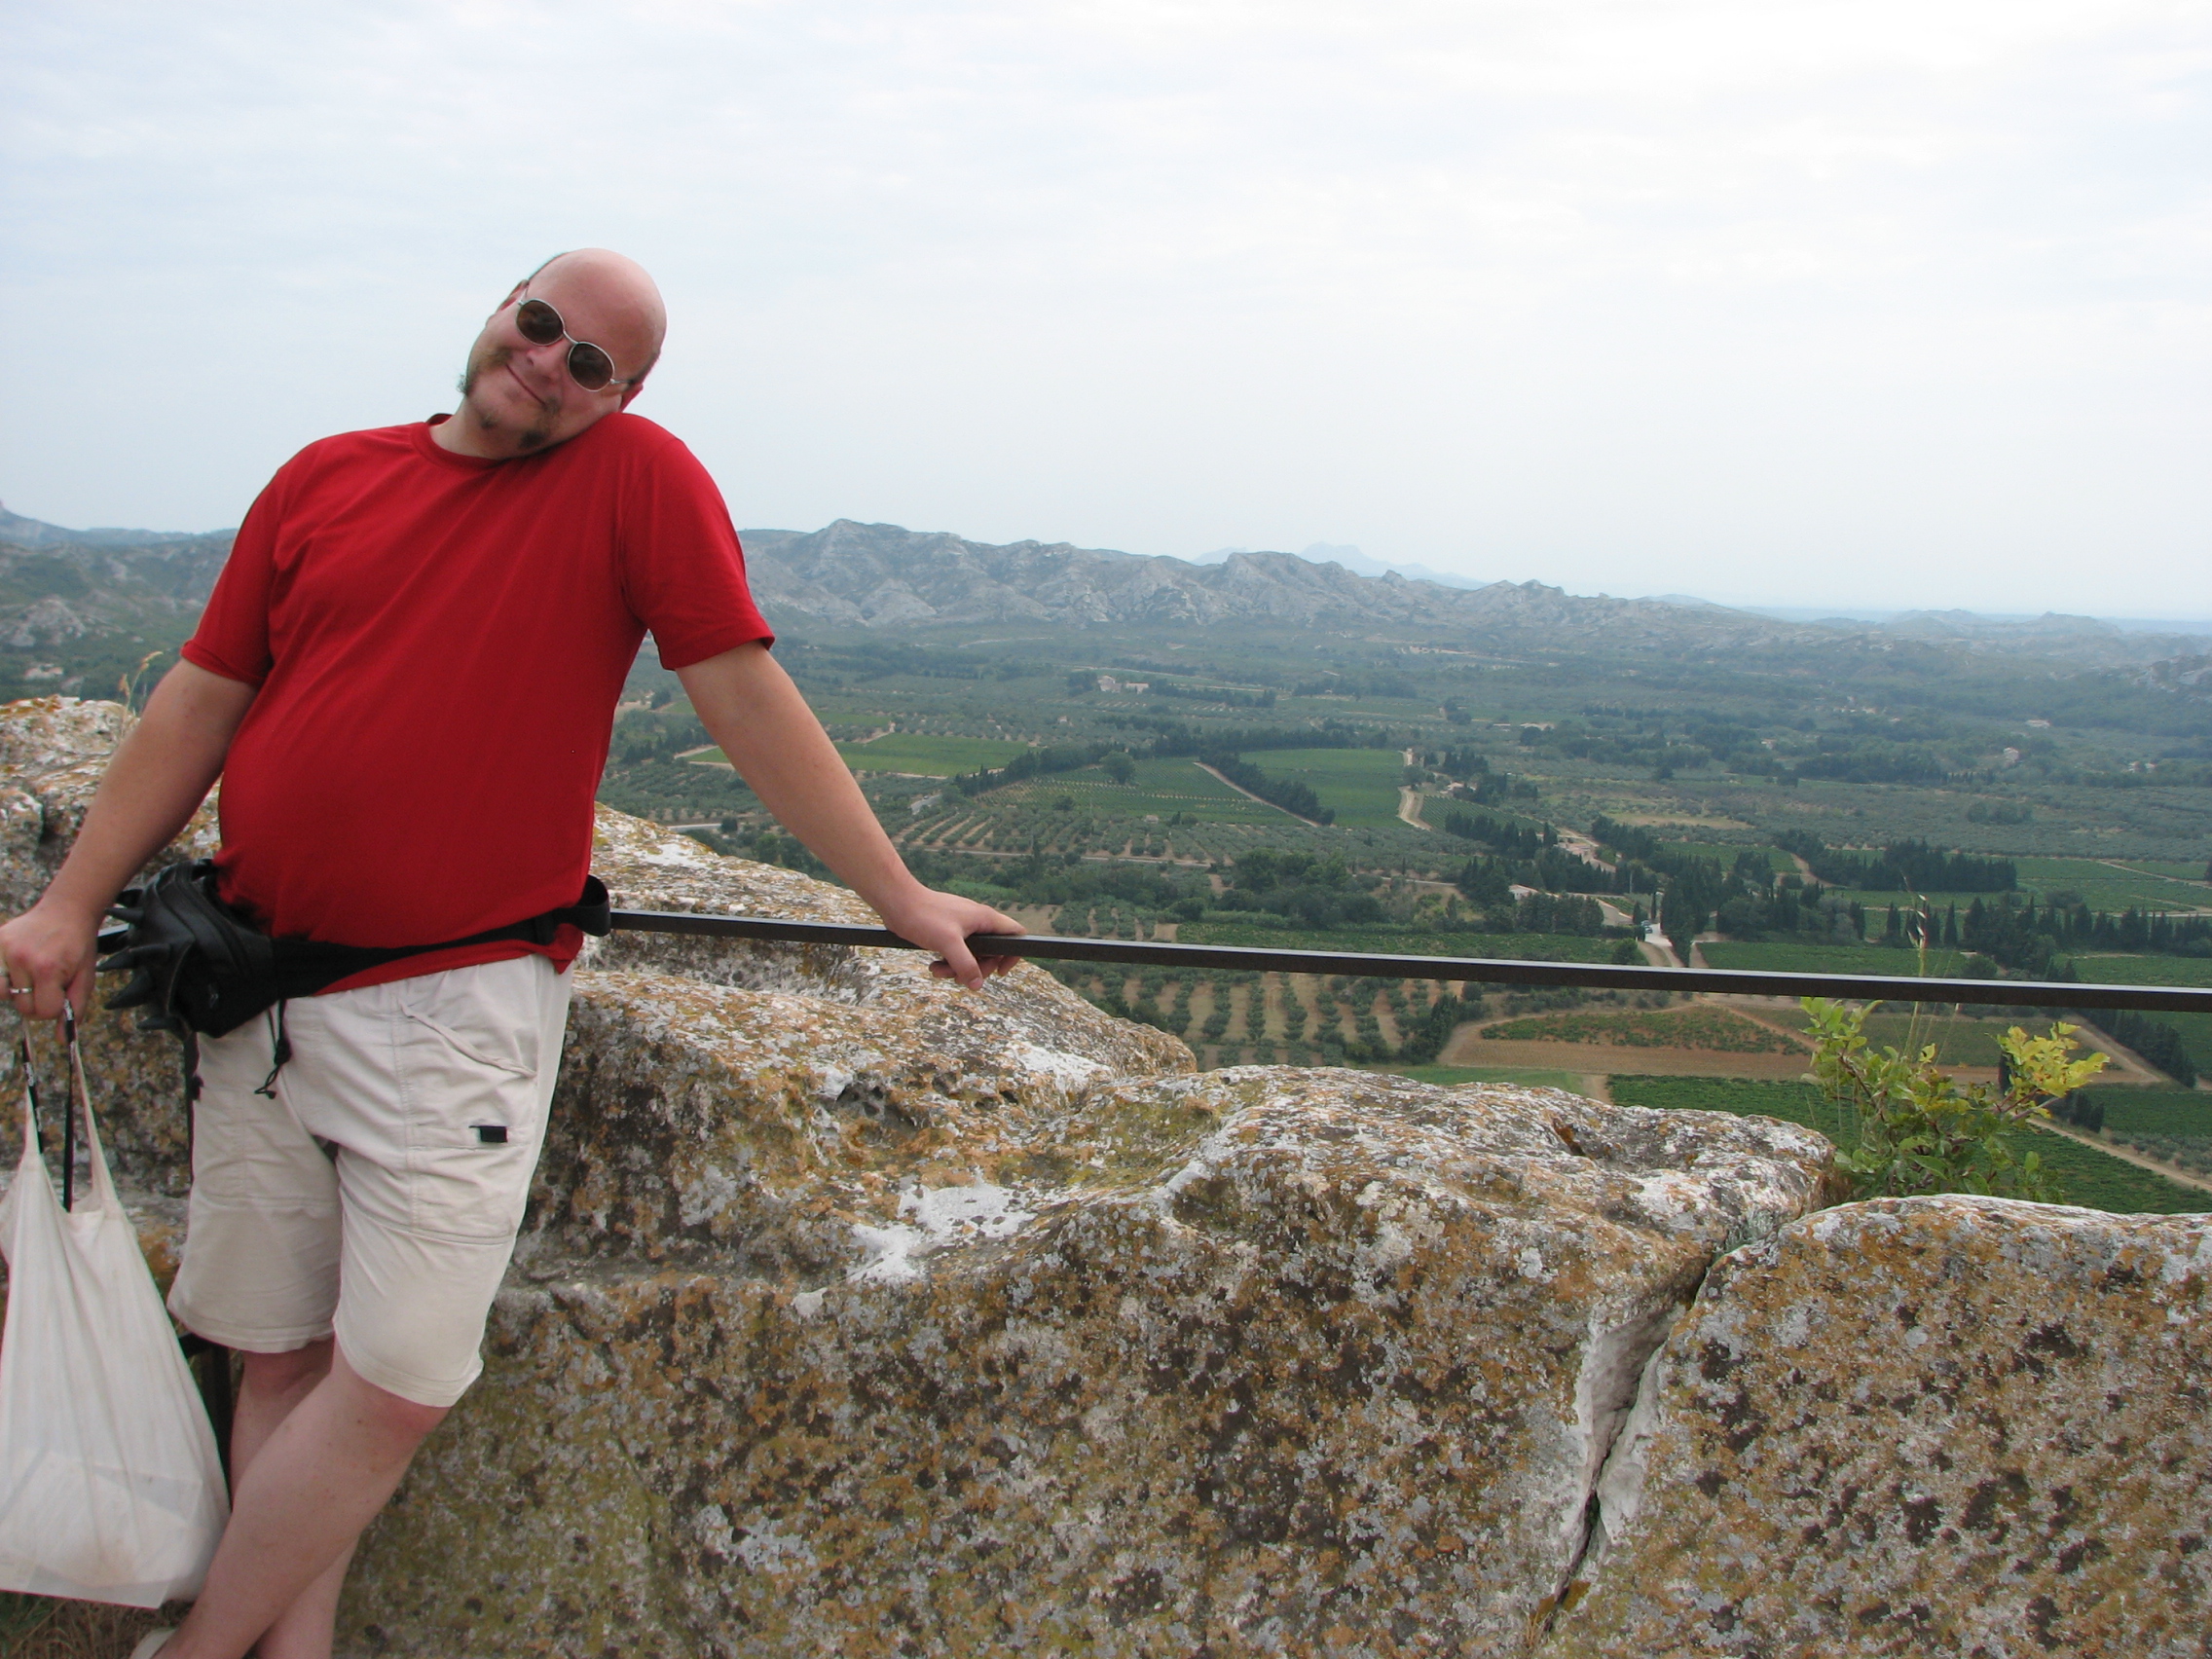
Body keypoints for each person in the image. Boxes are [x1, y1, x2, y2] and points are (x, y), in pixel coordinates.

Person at [0, 248, 1021, 1659]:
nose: (548, 362)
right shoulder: (322, 477)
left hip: (452, 1002)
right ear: (500, 308)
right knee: (278, 1356)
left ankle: (198, 1650)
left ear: (623, 397)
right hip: (255, 988)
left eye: (590, 363)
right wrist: (70, 903)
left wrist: (897, 895)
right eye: (540, 324)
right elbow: (202, 701)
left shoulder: (636, 478)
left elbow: (739, 690)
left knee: (399, 1382)